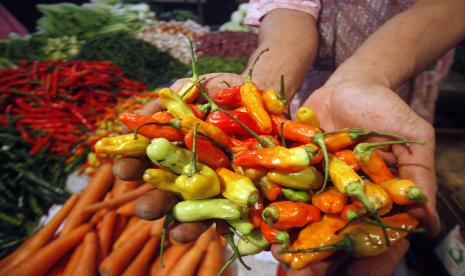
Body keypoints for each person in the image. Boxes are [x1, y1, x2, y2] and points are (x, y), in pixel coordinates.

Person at [116, 0, 465, 274]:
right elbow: (290, 11)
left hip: (382, 93)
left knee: (370, 195)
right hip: (305, 109)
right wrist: (257, 85)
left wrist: (367, 76)